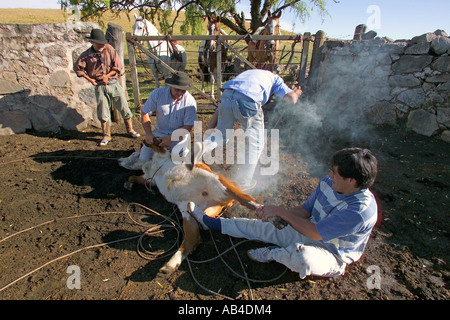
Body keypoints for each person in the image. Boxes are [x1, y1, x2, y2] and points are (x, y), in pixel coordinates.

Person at [188, 147, 378, 279]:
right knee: (260, 226)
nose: (329, 176)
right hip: (307, 231)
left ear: (352, 181)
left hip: (331, 253)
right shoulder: (329, 183)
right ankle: (210, 222)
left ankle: (275, 253)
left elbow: (316, 233)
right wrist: (275, 215)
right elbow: (305, 211)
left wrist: (281, 212)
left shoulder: (360, 210)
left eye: (335, 173)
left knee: (303, 258)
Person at [193, 69, 303, 190]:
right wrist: (296, 92)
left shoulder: (247, 74)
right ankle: (245, 181)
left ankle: (201, 147)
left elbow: (219, 111)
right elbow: (291, 99)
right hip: (249, 99)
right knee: (256, 144)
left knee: (222, 136)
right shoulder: (275, 79)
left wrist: (206, 137)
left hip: (227, 94)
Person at [74, 28, 140, 146]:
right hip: (99, 86)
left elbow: (118, 65)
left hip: (113, 84)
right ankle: (106, 135)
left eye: (102, 43)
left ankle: (130, 130)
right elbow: (78, 69)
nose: (101, 46)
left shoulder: (109, 49)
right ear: (92, 42)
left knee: (124, 106)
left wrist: (107, 75)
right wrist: (91, 80)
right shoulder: (86, 55)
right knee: (103, 110)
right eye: (98, 43)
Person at [118, 71, 197, 170]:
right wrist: (149, 134)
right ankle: (140, 153)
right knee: (144, 161)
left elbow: (187, 127)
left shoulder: (190, 101)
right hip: (158, 134)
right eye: (177, 90)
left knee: (177, 166)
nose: (180, 93)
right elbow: (145, 113)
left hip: (179, 137)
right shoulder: (158, 94)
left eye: (183, 91)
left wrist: (170, 138)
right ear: (171, 86)